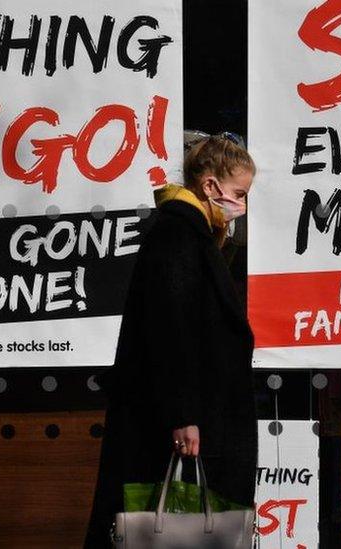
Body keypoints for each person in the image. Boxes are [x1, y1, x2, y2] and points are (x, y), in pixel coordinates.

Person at [84, 134, 257, 548]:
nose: (241, 206)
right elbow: (171, 328)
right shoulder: (180, 235)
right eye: (238, 193)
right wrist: (183, 414)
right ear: (210, 186)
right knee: (167, 525)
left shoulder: (192, 233)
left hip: (191, 413)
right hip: (183, 419)